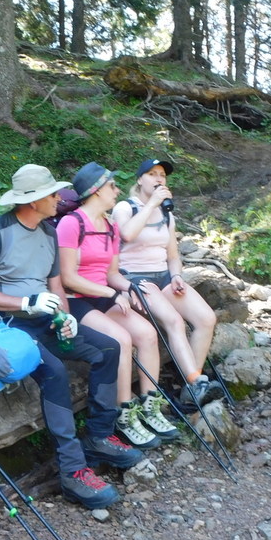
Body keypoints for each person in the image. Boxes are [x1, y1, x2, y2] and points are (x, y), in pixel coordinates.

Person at [0, 163, 144, 509]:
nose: (59, 198)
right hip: (9, 325)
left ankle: (100, 436)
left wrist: (65, 316)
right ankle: (72, 471)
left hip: (45, 320)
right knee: (55, 372)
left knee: (108, 348)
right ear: (32, 201)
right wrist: (24, 303)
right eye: (51, 194)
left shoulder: (49, 231)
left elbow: (56, 284)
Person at [56, 162, 181, 449]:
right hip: (76, 300)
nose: (117, 191)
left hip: (102, 294)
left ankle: (150, 405)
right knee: (122, 339)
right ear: (96, 191)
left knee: (147, 334)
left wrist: (130, 287)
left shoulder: (110, 225)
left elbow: (112, 274)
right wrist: (112, 294)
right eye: (112, 186)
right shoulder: (71, 223)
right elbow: (68, 277)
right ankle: (125, 413)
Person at [112, 158, 220, 408]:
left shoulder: (167, 215)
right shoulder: (125, 208)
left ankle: (193, 386)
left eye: (162, 175)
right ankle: (196, 382)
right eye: (152, 174)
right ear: (140, 179)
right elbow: (126, 234)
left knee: (206, 319)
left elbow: (173, 256)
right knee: (174, 321)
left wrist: (176, 276)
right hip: (133, 277)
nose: (159, 179)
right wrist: (152, 203)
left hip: (163, 276)